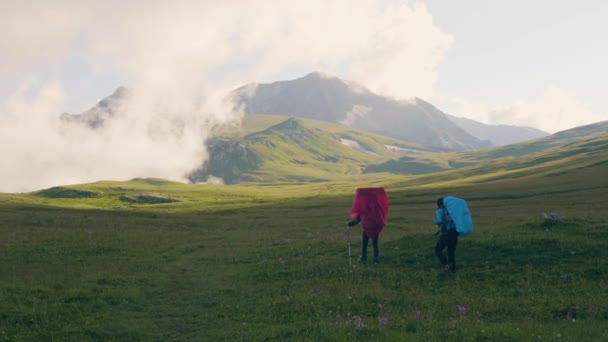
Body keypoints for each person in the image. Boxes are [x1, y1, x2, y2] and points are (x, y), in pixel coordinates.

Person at [347, 188, 388, 264]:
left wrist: (351, 224)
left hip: (367, 228)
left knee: (364, 244)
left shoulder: (363, 207)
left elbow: (358, 219)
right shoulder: (377, 207)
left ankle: (364, 257)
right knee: (375, 243)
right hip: (375, 228)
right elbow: (381, 217)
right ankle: (376, 258)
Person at [433, 197, 458, 271]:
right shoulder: (450, 210)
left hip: (446, 233)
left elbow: (439, 220)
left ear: (438, 204)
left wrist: (434, 221)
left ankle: (445, 265)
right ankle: (452, 268)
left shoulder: (440, 210)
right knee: (451, 251)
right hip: (454, 232)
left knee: (437, 250)